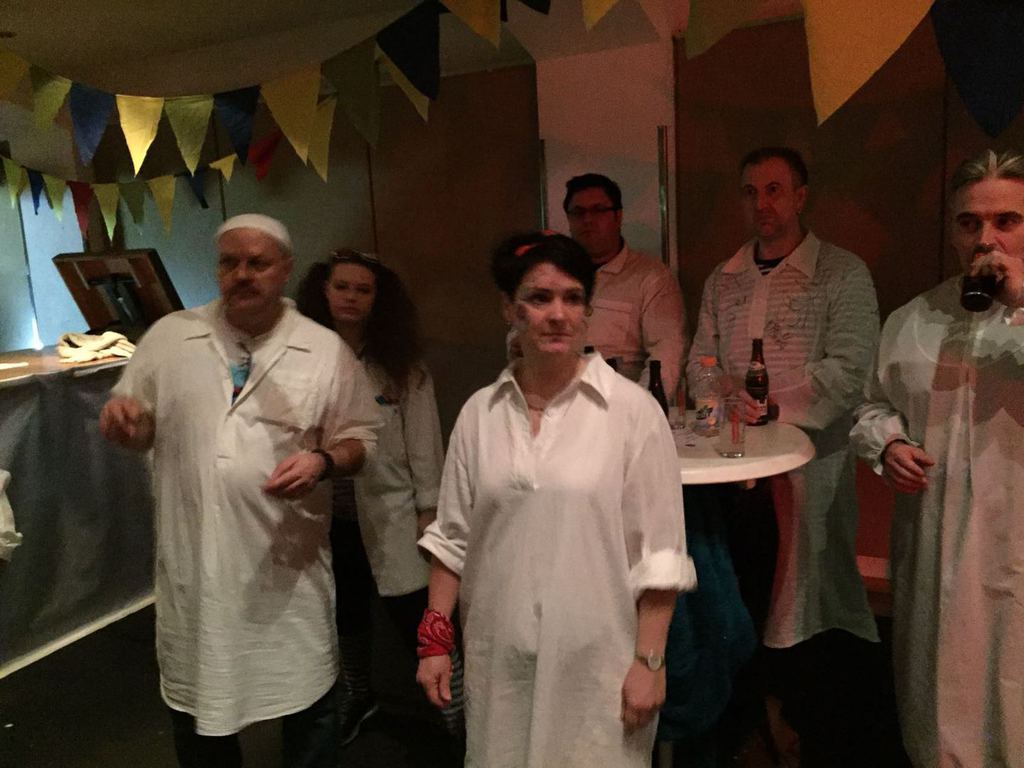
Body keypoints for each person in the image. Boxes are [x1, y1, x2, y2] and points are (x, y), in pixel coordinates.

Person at [99, 214, 378, 768]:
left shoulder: (322, 349)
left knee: (307, 709)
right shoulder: (172, 337)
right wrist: (126, 427)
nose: (242, 274)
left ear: (285, 269)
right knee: (200, 713)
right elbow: (141, 425)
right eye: (230, 262)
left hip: (286, 574)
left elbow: (361, 439)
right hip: (197, 571)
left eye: (258, 263)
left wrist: (323, 461)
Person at [415, 232, 696, 767]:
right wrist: (434, 640)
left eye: (572, 298)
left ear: (588, 310)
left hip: (598, 665)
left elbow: (660, 554)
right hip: (500, 662)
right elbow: (453, 539)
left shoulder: (631, 412)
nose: (558, 314)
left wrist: (650, 661)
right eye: (539, 298)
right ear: (509, 308)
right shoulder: (480, 414)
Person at [688, 147, 885, 765]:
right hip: (734, 467)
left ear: (801, 196)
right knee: (743, 591)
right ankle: (748, 722)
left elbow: (849, 368)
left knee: (807, 600)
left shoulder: (841, 273)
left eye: (774, 189)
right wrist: (722, 399)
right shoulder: (723, 278)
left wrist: (773, 404)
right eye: (751, 192)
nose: (762, 203)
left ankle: (809, 728)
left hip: (811, 466)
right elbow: (701, 361)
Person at [851, 149, 1024, 767]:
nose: (986, 239)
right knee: (939, 700)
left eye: (1007, 221)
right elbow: (871, 405)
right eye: (970, 223)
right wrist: (889, 444)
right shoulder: (913, 319)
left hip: (1015, 543)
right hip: (934, 547)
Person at [296, 250, 465, 748]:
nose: (351, 297)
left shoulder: (401, 367)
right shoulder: (301, 360)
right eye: (342, 287)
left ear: (378, 299)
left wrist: (429, 510)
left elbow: (425, 445)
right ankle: (358, 693)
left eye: (363, 289)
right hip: (326, 515)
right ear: (323, 291)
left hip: (391, 512)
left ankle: (459, 714)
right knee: (345, 614)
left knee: (420, 617)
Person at [562, 173, 687, 394]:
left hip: (620, 400)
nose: (588, 220)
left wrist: (640, 408)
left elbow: (667, 354)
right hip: (558, 399)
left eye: (599, 210)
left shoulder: (652, 277)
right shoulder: (554, 275)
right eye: (578, 212)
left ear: (618, 216)